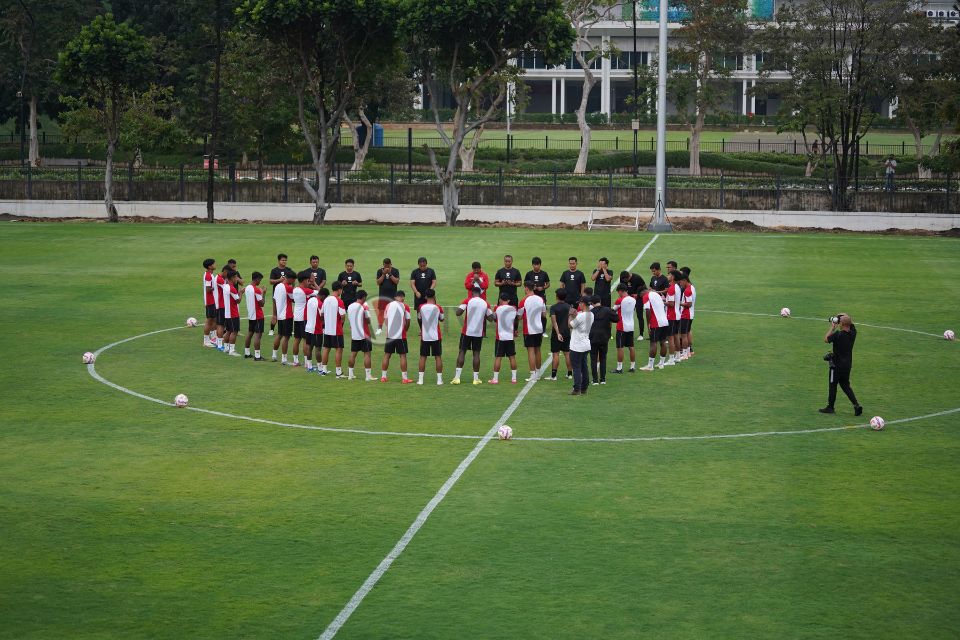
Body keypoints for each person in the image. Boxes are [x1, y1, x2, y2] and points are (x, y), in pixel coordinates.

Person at [820, 313, 863, 416]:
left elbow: (826, 339)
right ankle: (856, 405)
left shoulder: (837, 334)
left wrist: (832, 328)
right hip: (847, 365)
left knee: (833, 385)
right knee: (845, 386)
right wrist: (845, 316)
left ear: (841, 324)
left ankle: (830, 407)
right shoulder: (853, 333)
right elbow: (850, 323)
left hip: (835, 366)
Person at [453, 286, 493, 385]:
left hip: (467, 331)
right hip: (478, 332)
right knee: (476, 354)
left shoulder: (467, 301)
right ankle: (475, 379)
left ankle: (457, 378)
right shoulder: (485, 303)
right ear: (480, 293)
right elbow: (491, 318)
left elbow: (458, 313)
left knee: (462, 351)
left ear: (471, 293)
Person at [380, 290, 413, 384]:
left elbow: (386, 320)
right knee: (402, 355)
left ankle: (383, 377)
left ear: (395, 297)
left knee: (387, 355)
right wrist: (405, 330)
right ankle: (404, 378)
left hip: (390, 334)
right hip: (400, 335)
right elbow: (408, 320)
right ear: (402, 297)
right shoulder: (404, 306)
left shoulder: (388, 305)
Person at [517, 282, 547, 381]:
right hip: (539, 328)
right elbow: (544, 314)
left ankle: (532, 374)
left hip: (529, 329)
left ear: (526, 288)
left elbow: (519, 317)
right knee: (537, 350)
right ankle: (538, 373)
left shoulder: (523, 301)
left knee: (530, 351)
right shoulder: (541, 299)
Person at [489, 292, 519, 384]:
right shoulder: (513, 308)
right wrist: (515, 331)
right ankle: (514, 378)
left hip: (500, 337)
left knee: (498, 357)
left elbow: (494, 318)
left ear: (500, 300)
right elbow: (516, 320)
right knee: (512, 357)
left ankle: (495, 379)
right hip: (510, 336)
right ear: (508, 300)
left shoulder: (497, 308)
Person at [417, 289, 444, 385]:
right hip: (436, 336)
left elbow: (419, 318)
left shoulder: (421, 307)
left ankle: (420, 380)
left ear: (425, 297)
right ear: (434, 296)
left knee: (423, 357)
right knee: (438, 357)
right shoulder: (438, 307)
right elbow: (442, 319)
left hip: (425, 336)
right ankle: (439, 380)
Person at [346, 290, 375, 381]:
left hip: (354, 333)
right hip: (364, 334)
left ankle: (350, 375)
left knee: (353, 353)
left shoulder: (350, 306)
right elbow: (368, 320)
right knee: (367, 354)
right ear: (363, 297)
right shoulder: (364, 307)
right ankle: (368, 376)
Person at [567, 296, 593, 396]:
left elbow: (570, 325)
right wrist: (575, 315)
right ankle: (584, 388)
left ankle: (576, 389)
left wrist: (570, 315)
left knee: (577, 368)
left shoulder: (581, 316)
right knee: (584, 367)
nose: (579, 305)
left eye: (580, 303)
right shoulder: (591, 315)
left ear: (583, 304)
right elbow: (579, 319)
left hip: (577, 346)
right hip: (586, 345)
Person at [320, 282, 346, 378]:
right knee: (339, 349)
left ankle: (324, 370)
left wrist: (325, 323)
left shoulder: (326, 300)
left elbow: (321, 314)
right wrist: (341, 324)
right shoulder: (339, 301)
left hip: (327, 329)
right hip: (337, 329)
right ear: (339, 289)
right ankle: (338, 372)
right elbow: (343, 316)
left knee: (326, 348)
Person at [290, 271, 316, 367]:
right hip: (303, 317)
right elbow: (320, 292)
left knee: (297, 339)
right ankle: (306, 362)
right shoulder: (305, 290)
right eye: (308, 280)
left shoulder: (295, 289)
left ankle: (295, 360)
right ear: (305, 280)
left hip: (296, 317)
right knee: (305, 340)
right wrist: (314, 284)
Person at [588, 295, 616, 384]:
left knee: (593, 358)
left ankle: (595, 380)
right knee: (603, 358)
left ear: (592, 303)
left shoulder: (590, 312)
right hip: (604, 337)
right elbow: (616, 319)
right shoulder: (607, 310)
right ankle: (603, 379)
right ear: (600, 301)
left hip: (593, 337)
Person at [640, 288, 669, 371]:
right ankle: (661, 364)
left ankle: (650, 366)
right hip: (664, 321)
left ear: (642, 292)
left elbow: (648, 310)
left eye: (641, 296)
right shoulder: (656, 294)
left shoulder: (646, 296)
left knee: (653, 343)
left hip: (656, 322)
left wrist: (648, 324)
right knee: (663, 342)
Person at [271, 271, 296, 364]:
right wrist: (293, 286)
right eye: (293, 280)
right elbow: (293, 299)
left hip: (280, 315)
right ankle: (284, 359)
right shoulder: (288, 288)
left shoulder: (278, 286)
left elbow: (274, 299)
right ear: (290, 279)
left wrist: (274, 314)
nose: (293, 282)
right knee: (286, 337)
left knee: (279, 335)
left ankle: (274, 355)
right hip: (287, 315)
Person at [548, 289, 573, 381]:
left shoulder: (553, 307)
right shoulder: (569, 306)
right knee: (567, 353)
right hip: (567, 332)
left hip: (556, 334)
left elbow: (554, 322)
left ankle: (554, 376)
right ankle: (570, 374)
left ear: (557, 296)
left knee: (556, 354)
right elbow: (570, 320)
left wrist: (558, 333)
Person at [612, 284, 637, 373]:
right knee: (631, 346)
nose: (618, 294)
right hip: (631, 326)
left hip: (622, 326)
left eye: (618, 292)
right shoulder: (633, 300)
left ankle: (619, 368)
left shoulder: (619, 300)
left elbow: (612, 311)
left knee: (620, 347)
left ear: (621, 291)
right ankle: (632, 366)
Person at [619, 269, 647, 342]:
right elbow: (621, 289)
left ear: (629, 277)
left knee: (639, 315)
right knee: (626, 315)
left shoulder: (637, 278)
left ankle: (641, 334)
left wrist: (637, 295)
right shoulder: (622, 279)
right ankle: (626, 331)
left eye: (626, 280)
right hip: (628, 298)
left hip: (638, 299)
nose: (625, 281)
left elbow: (644, 289)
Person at [243, 271, 265, 360]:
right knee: (258, 335)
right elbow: (262, 303)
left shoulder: (247, 287)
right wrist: (263, 292)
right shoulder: (256, 290)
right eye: (260, 280)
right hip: (258, 315)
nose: (260, 282)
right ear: (257, 279)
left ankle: (247, 353)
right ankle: (257, 356)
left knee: (250, 333)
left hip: (251, 314)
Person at [268, 253, 291, 336]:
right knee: (275, 313)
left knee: (286, 312)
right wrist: (280, 280)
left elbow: (292, 280)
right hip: (276, 295)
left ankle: (286, 329)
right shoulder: (274, 270)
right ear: (279, 261)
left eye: (285, 260)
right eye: (282, 260)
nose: (284, 262)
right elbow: (271, 281)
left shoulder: (289, 270)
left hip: (286, 295)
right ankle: (271, 330)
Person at [375, 258, 400, 333]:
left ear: (390, 264)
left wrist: (390, 274)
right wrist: (383, 274)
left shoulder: (395, 271)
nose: (386, 267)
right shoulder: (380, 271)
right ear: (383, 264)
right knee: (381, 311)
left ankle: (393, 327)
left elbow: (396, 282)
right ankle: (379, 328)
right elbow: (378, 282)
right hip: (383, 295)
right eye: (385, 266)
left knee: (393, 311)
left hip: (393, 295)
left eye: (388, 266)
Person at [663, 270, 683, 365]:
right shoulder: (677, 287)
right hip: (677, 315)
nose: (668, 275)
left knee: (670, 338)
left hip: (671, 316)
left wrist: (661, 301)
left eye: (670, 274)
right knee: (676, 336)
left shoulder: (671, 288)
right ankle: (678, 357)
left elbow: (670, 304)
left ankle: (671, 359)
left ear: (673, 277)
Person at [304, 286, 325, 372]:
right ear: (323, 296)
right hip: (316, 329)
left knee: (309, 347)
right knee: (318, 349)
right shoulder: (320, 303)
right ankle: (320, 368)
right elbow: (322, 316)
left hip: (308, 327)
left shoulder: (310, 300)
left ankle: (309, 367)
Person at [222, 270, 242, 356]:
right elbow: (238, 300)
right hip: (233, 313)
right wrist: (241, 293)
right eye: (236, 277)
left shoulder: (225, 286)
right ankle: (232, 350)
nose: (237, 279)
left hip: (227, 313)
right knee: (234, 332)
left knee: (228, 331)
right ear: (233, 278)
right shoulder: (232, 288)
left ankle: (226, 348)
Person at [678, 271, 696, 360]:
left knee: (683, 335)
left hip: (686, 314)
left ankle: (684, 354)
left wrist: (679, 303)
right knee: (687, 332)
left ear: (685, 280)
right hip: (690, 314)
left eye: (681, 282)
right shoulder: (692, 287)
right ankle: (688, 352)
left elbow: (688, 304)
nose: (680, 284)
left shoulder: (687, 291)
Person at [202, 258, 217, 347]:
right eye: (214, 264)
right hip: (210, 301)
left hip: (212, 300)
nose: (215, 265)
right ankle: (206, 341)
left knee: (214, 319)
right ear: (209, 266)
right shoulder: (208, 276)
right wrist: (215, 287)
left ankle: (213, 337)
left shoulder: (209, 274)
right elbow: (208, 289)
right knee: (209, 320)